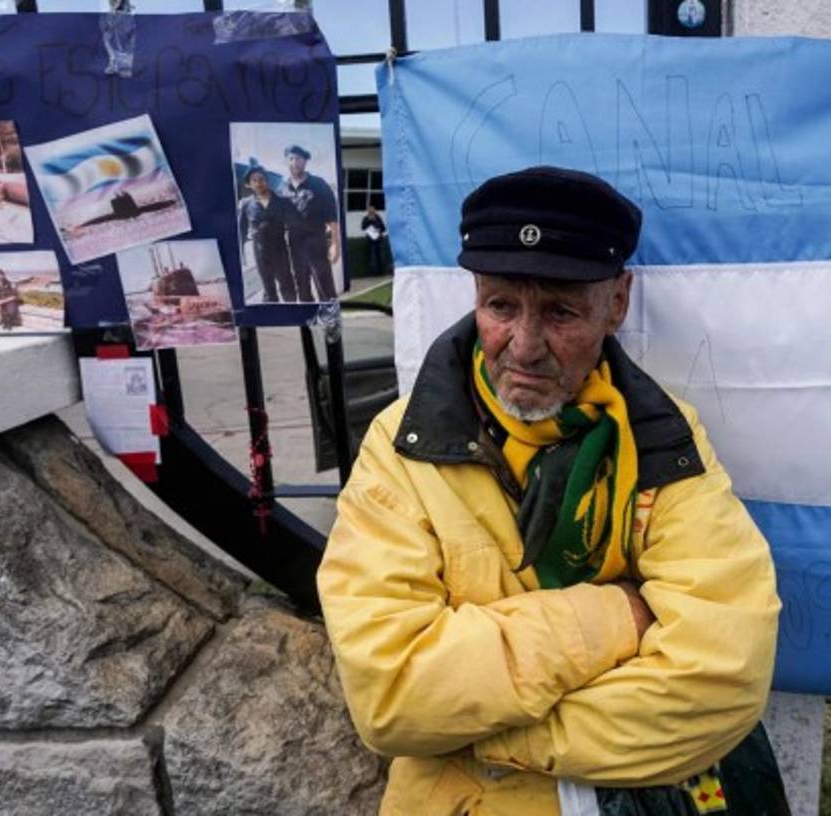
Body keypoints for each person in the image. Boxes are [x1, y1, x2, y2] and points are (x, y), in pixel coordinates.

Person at [319, 166, 786, 816]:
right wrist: (619, 614)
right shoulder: (401, 447)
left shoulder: (662, 437)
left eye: (560, 311)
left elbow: (723, 673)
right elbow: (390, 692)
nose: (525, 346)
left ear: (616, 303)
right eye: (500, 306)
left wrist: (490, 737)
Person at [279, 144, 340, 302]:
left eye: (298, 159)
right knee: (302, 285)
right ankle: (308, 317)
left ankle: (330, 316)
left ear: (305, 161)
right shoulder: (282, 189)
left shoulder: (319, 185)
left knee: (324, 284)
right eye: (291, 159)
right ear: (287, 162)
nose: (294, 162)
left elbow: (332, 216)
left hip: (316, 241)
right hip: (294, 243)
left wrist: (335, 244)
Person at [237, 163, 302, 303]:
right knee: (268, 289)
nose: (258, 183)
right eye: (254, 180)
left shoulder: (283, 202)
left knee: (287, 286)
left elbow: (296, 226)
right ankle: (271, 313)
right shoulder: (246, 204)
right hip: (260, 252)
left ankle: (293, 313)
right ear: (249, 184)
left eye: (261, 179)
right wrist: (241, 256)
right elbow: (240, 233)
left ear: (266, 180)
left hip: (280, 251)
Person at [360, 203, 387, 275]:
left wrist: (378, 227)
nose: (371, 210)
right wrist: (369, 221)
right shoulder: (365, 218)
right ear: (368, 210)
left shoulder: (378, 217)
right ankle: (374, 272)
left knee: (380, 256)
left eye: (372, 209)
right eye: (369, 209)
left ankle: (382, 271)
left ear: (374, 210)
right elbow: (363, 227)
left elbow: (383, 228)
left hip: (379, 239)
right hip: (370, 240)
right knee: (372, 256)